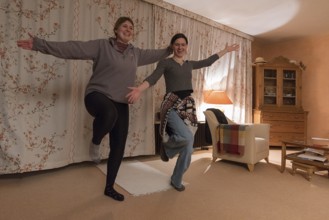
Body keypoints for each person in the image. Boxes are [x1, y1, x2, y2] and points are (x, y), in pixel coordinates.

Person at [16, 16, 172, 201]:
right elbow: (72, 48)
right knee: (109, 113)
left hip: (121, 102)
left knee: (118, 146)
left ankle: (109, 187)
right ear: (116, 29)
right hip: (97, 95)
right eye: (124, 26)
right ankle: (96, 141)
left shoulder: (135, 53)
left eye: (131, 27)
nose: (128, 29)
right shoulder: (102, 46)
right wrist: (39, 44)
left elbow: (157, 54)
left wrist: (171, 48)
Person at [126, 33, 239, 191]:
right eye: (177, 44)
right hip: (171, 104)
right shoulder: (166, 63)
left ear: (186, 47)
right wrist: (139, 89)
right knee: (186, 137)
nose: (180, 47)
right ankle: (167, 147)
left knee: (188, 146)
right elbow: (153, 78)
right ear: (173, 46)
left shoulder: (189, 64)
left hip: (187, 107)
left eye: (183, 44)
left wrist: (225, 50)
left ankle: (176, 178)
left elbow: (208, 62)